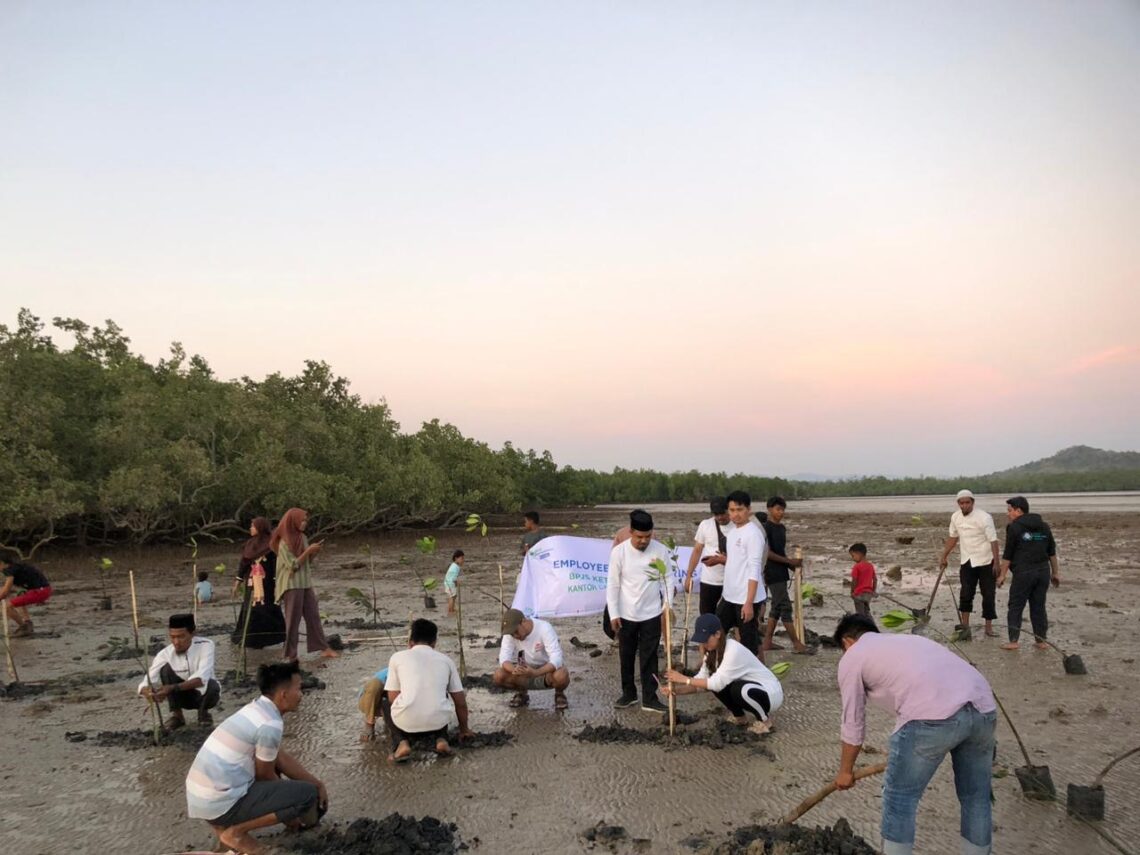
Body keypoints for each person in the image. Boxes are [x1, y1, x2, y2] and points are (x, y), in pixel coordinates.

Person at [832, 613, 996, 855]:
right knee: (976, 796)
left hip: (929, 717)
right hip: (983, 708)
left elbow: (853, 721)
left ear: (847, 641)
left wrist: (845, 771)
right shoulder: (911, 641)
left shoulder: (853, 656)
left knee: (900, 799)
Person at [186, 661, 327, 855]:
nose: (301, 695)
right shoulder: (270, 724)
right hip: (219, 802)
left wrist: (317, 782)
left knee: (291, 777)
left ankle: (224, 835)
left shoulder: (256, 709)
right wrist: (291, 810)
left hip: (201, 798)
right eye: (299, 689)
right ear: (283, 695)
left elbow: (279, 757)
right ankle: (236, 832)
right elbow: (265, 776)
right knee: (306, 794)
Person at [662, 613, 783, 734]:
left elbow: (716, 684)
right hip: (751, 689)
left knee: (737, 689)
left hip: (770, 692)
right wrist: (676, 690)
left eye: (706, 639)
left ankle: (765, 721)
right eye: (701, 641)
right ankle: (739, 717)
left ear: (718, 634)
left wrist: (684, 679)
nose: (704, 644)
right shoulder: (711, 654)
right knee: (714, 682)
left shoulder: (733, 651)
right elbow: (701, 683)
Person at [606, 509, 672, 714]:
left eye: (648, 536)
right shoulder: (619, 552)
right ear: (631, 532)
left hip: (652, 613)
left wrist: (667, 606)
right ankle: (629, 694)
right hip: (626, 614)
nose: (644, 541)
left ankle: (650, 698)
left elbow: (668, 579)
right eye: (639, 537)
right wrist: (613, 614)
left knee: (650, 657)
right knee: (626, 655)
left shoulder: (660, 551)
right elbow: (613, 585)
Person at [385, 618, 475, 762]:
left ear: (410, 641)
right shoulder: (446, 660)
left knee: (385, 703)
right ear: (434, 642)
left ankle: (401, 742)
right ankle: (441, 740)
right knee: (441, 695)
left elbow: (392, 698)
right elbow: (460, 702)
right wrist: (464, 729)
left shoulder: (397, 657)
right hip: (438, 720)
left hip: (405, 721)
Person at [271, 508, 338, 663]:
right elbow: (293, 565)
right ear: (293, 521)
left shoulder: (303, 537)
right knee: (293, 620)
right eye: (302, 520)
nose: (305, 523)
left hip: (305, 582)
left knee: (313, 615)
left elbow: (306, 563)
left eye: (306, 520)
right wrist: (308, 551)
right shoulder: (283, 542)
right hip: (291, 584)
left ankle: (323, 648)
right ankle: (290, 654)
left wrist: (314, 552)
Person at [998, 496, 1060, 652]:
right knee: (1038, 606)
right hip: (1043, 572)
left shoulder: (1014, 527)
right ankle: (1041, 641)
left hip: (1024, 573)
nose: (1008, 514)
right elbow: (1051, 552)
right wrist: (1056, 573)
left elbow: (1008, 554)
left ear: (1019, 510)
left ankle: (1013, 641)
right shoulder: (1044, 526)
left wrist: (1002, 575)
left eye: (1009, 510)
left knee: (1015, 605)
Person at [139, 613, 221, 729]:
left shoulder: (206, 645)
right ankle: (177, 717)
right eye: (173, 637)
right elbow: (147, 681)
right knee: (165, 669)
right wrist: (148, 692)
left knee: (212, 684)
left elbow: (201, 679)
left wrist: (172, 688)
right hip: (181, 697)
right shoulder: (165, 654)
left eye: (181, 637)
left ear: (192, 634)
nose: (176, 642)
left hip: (204, 696)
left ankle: (203, 714)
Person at [939, 490, 1000, 638]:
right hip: (967, 561)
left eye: (967, 502)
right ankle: (965, 626)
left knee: (988, 594)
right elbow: (953, 537)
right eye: (962, 503)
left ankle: (988, 627)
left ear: (973, 502)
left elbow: (993, 540)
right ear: (958, 504)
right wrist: (944, 556)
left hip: (986, 561)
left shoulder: (984, 517)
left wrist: (997, 564)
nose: (965, 505)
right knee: (966, 593)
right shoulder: (955, 517)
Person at [713, 491, 767, 660]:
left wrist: (749, 602)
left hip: (747, 598)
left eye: (740, 509)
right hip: (730, 596)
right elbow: (735, 563)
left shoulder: (753, 534)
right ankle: (717, 667)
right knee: (716, 629)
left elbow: (754, 568)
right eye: (732, 510)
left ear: (748, 509)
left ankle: (755, 677)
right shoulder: (733, 533)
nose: (736, 514)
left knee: (748, 642)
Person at [761, 497, 813, 655]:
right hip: (771, 571)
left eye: (783, 510)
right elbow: (767, 553)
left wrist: (793, 566)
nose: (781, 513)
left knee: (776, 608)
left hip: (781, 571)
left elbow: (780, 551)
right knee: (785, 607)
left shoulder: (782, 528)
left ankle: (768, 641)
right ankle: (797, 643)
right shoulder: (765, 528)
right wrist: (789, 561)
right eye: (778, 509)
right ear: (769, 509)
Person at [493, 608, 571, 710]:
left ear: (523, 621)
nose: (515, 636)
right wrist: (514, 670)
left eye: (516, 632)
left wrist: (535, 672)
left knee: (561, 675)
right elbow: (504, 659)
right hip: (524, 670)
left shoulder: (544, 628)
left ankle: (559, 694)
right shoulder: (510, 635)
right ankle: (521, 692)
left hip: (546, 671)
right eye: (512, 634)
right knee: (499, 675)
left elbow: (557, 659)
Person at [231, 517, 286, 649]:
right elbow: (243, 564)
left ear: (260, 527)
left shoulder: (272, 545)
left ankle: (274, 637)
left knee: (267, 608)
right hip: (251, 584)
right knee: (250, 609)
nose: (251, 528)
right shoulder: (249, 545)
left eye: (253, 526)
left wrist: (277, 585)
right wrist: (237, 583)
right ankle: (248, 639)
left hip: (267, 584)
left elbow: (276, 566)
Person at [0, 555, 52, 637]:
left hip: (40, 591)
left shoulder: (9, 570)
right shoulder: (15, 567)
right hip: (43, 590)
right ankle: (28, 622)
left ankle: (24, 627)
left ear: (2, 563)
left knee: (7, 607)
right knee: (20, 594)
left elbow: (6, 591)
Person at [357, 666, 389, 743]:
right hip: (369, 702)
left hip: (389, 702)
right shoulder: (390, 672)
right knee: (375, 684)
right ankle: (369, 723)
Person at [849, 543, 877, 617]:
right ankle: (871, 625)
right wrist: (873, 591)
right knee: (866, 612)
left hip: (858, 594)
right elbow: (875, 579)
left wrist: (852, 592)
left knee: (860, 613)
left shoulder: (857, 566)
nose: (853, 558)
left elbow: (854, 581)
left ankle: (862, 626)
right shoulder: (870, 566)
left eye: (853, 556)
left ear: (859, 554)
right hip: (868, 595)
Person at [444, 550, 464, 615]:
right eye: (461, 558)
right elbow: (453, 577)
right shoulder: (455, 567)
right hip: (450, 583)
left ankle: (452, 609)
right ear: (456, 558)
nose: (463, 560)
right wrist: (457, 582)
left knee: (453, 596)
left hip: (449, 583)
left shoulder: (454, 566)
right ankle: (450, 611)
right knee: (452, 597)